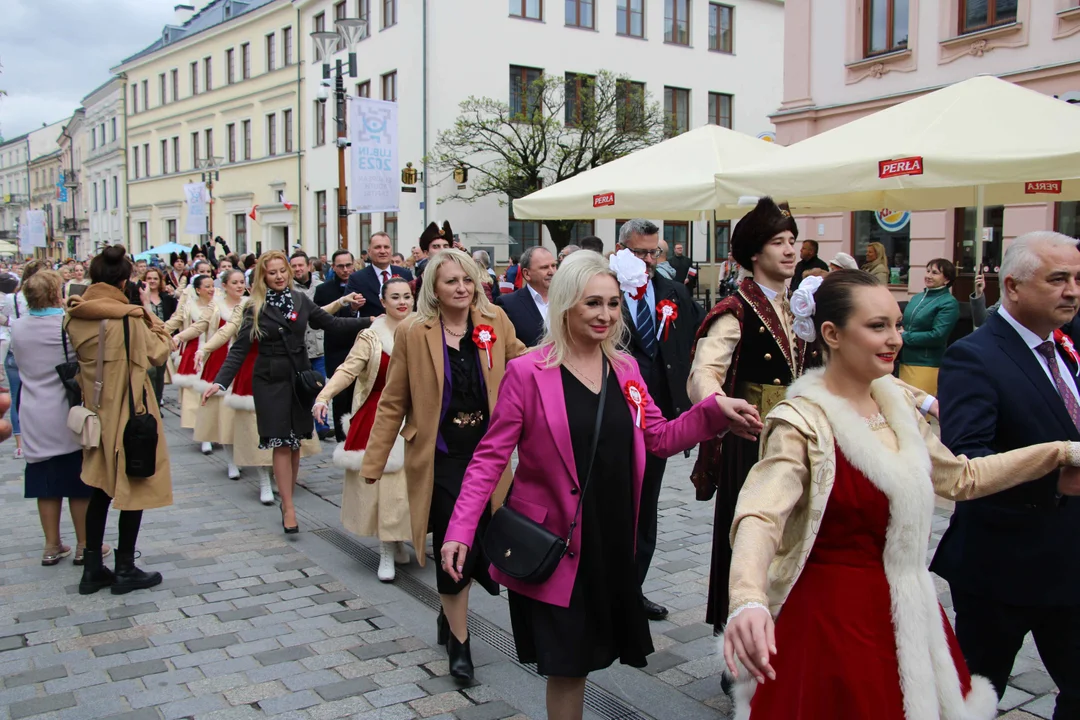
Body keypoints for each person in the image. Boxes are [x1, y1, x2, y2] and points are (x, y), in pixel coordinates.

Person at [722, 268, 1080, 719]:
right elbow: (760, 514)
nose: (895, 338)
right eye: (877, 326)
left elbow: (961, 479)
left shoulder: (896, 404)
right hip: (833, 618)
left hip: (911, 611)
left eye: (897, 324)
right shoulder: (802, 422)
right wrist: (748, 599)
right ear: (831, 334)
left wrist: (1057, 453)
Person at [441, 251, 762, 716]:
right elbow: (489, 459)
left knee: (589, 660)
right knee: (567, 667)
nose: (606, 315)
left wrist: (713, 413)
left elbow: (659, 437)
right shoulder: (528, 372)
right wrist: (459, 530)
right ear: (567, 303)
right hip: (555, 545)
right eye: (593, 303)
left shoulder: (626, 370)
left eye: (613, 304)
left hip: (610, 541)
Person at [361, 249, 527, 682]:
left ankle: (446, 613)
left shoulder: (495, 322)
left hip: (488, 452)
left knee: (485, 541)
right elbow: (394, 399)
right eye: (452, 281)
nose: (462, 288)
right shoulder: (416, 332)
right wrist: (374, 461)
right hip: (441, 456)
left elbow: (524, 365)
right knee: (457, 545)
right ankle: (460, 641)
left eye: (468, 280)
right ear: (433, 287)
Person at [934, 231, 1080, 720]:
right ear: (1012, 287)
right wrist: (1053, 481)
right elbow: (969, 459)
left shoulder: (1065, 345)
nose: (1073, 290)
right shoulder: (974, 355)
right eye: (1058, 279)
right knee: (976, 696)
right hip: (1002, 567)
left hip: (1068, 561)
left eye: (1077, 278)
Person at [688, 197, 819, 632]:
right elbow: (705, 372)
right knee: (750, 541)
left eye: (793, 241)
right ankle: (738, 638)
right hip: (754, 443)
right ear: (754, 254)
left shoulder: (797, 307)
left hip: (800, 441)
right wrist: (719, 403)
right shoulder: (735, 310)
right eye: (778, 242)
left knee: (795, 538)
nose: (789, 250)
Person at [205, 252, 370, 534]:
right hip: (269, 381)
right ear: (263, 277)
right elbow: (239, 350)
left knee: (295, 445)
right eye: (273, 272)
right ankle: (290, 507)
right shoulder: (254, 307)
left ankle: (286, 497)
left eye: (283, 271)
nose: (280, 276)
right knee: (281, 442)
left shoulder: (300, 300)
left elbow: (331, 324)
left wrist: (370, 321)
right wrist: (220, 382)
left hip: (298, 379)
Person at [66, 245, 172, 596]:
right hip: (131, 412)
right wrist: (144, 309)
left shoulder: (75, 314)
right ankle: (125, 566)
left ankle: (93, 567)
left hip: (96, 413)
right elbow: (159, 352)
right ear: (125, 281)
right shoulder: (128, 317)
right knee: (135, 484)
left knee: (98, 488)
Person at [613, 219, 705, 620]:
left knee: (646, 504)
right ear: (620, 251)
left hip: (656, 417)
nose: (649, 261)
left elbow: (699, 334)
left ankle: (632, 588)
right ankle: (601, 588)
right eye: (639, 253)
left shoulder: (673, 291)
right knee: (610, 502)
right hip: (612, 412)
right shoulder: (604, 290)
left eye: (655, 253)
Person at [314, 277, 415, 581]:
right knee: (384, 486)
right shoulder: (370, 337)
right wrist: (323, 396)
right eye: (395, 297)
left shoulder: (423, 331)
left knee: (406, 489)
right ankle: (386, 549)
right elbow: (347, 370)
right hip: (377, 417)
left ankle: (398, 539)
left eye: (407, 296)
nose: (402, 302)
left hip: (414, 419)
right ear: (382, 302)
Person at [11, 270, 100, 566]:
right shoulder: (65, 324)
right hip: (65, 407)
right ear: (55, 293)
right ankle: (84, 544)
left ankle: (51, 545)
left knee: (43, 480)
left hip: (32, 408)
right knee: (78, 481)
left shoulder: (18, 326)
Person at [176, 269, 248, 479]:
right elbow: (199, 327)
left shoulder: (250, 303)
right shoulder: (215, 305)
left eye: (242, 282)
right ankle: (231, 460)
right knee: (224, 416)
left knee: (243, 416)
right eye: (234, 282)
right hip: (219, 364)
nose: (239, 286)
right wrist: (179, 337)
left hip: (244, 365)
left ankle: (246, 453)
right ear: (224, 285)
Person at [314, 249, 367, 441]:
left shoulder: (363, 284)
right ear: (333, 267)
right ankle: (342, 441)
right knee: (341, 399)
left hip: (363, 348)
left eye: (348, 265)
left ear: (354, 265)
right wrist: (351, 310)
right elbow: (324, 321)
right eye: (340, 266)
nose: (345, 270)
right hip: (338, 350)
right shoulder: (324, 290)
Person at [898, 258, 960, 395]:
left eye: (935, 273)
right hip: (905, 360)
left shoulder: (948, 303)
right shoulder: (917, 298)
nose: (929, 276)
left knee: (919, 410)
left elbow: (938, 336)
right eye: (928, 271)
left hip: (925, 364)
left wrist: (905, 336)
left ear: (947, 280)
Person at [165, 274, 215, 436]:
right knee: (193, 392)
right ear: (198, 290)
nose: (211, 289)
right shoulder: (188, 307)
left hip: (213, 351)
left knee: (212, 389)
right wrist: (160, 331)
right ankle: (199, 430)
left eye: (212, 286)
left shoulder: (218, 306)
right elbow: (175, 321)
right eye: (206, 286)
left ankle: (211, 427)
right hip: (192, 352)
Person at [0, 260, 40, 460]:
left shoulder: (11, 298)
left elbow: (3, 318)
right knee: (37, 394)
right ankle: (36, 440)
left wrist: (12, 323)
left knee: (17, 398)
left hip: (15, 349)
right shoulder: (42, 300)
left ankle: (19, 445)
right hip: (35, 350)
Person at [291, 252, 333, 440]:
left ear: (309, 266)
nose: (298, 269)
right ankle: (304, 421)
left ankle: (322, 423)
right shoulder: (288, 290)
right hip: (299, 348)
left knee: (320, 386)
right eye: (294, 266)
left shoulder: (321, 288)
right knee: (302, 387)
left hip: (319, 344)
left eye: (301, 265)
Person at [495, 246, 556, 347]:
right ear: (527, 274)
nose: (552, 272)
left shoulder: (567, 300)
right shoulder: (508, 305)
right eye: (544, 267)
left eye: (553, 266)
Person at [346, 231, 414, 317]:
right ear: (369, 251)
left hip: (402, 328)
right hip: (373, 328)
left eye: (386, 247)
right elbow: (346, 311)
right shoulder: (357, 278)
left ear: (391, 250)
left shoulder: (405, 274)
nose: (382, 251)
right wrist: (353, 307)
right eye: (377, 247)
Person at [140, 268, 177, 407]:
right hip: (146, 336)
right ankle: (149, 400)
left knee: (160, 370)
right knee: (150, 370)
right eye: (149, 278)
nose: (152, 281)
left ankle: (158, 398)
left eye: (155, 278)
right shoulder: (140, 298)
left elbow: (174, 316)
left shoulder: (166, 297)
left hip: (162, 336)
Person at [414, 221, 453, 299]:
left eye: (445, 246)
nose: (442, 250)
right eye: (436, 247)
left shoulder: (462, 275)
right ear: (426, 253)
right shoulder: (416, 285)